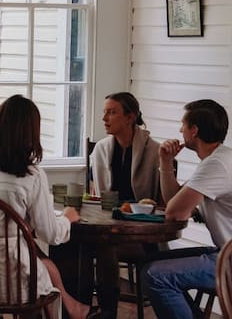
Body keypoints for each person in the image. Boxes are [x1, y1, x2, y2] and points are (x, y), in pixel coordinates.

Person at [0, 95, 101, 319]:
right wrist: (67, 218)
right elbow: (50, 234)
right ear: (30, 134)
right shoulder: (30, 175)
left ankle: (74, 308)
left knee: (33, 256)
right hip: (14, 286)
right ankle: (74, 309)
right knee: (37, 264)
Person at [142, 99, 232, 319]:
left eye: (183, 124)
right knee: (150, 262)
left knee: (155, 275)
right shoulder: (219, 159)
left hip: (228, 261)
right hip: (224, 253)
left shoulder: (216, 165)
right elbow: (174, 201)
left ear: (194, 130)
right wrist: (165, 162)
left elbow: (174, 212)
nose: (180, 130)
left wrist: (176, 206)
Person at [89, 92, 161, 318]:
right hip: (106, 226)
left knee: (105, 247)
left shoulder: (155, 152)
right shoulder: (101, 149)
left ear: (130, 117)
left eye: (112, 112)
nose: (104, 118)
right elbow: (97, 195)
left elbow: (161, 204)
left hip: (140, 234)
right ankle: (77, 308)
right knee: (71, 245)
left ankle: (107, 311)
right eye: (104, 112)